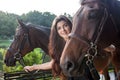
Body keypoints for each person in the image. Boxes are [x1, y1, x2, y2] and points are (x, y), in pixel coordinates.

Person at [24, 15, 72, 80]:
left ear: (70, 25)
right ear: (57, 32)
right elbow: (53, 63)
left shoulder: (79, 43)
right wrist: (33, 67)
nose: (63, 30)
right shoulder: (60, 46)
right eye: (59, 28)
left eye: (65, 25)